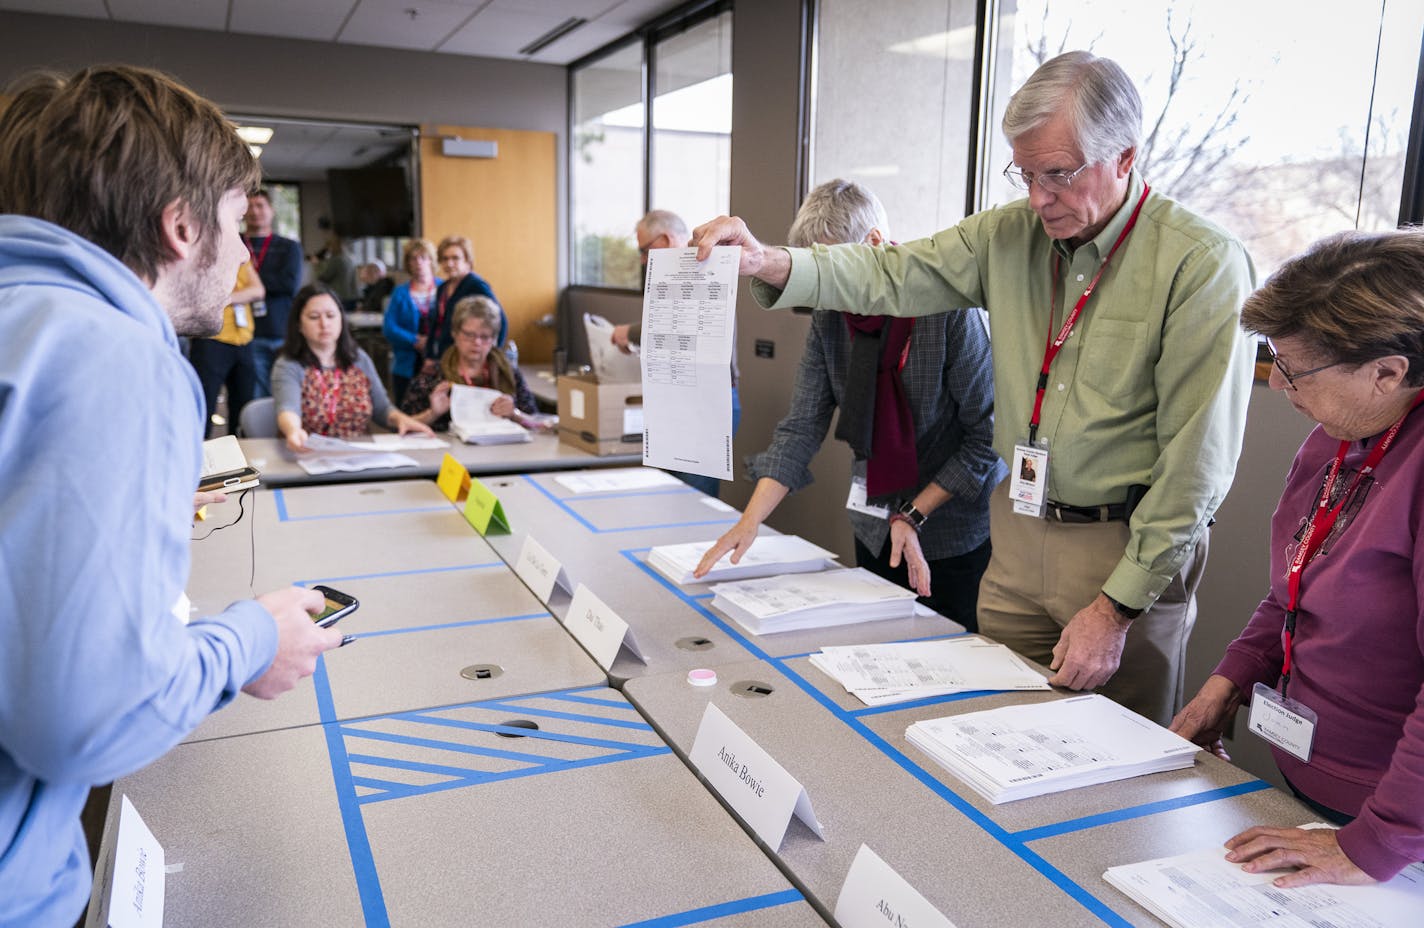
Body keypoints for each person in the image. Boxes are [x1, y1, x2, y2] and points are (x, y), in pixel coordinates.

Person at [692, 51, 1256, 725]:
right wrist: (768, 261)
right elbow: (893, 274)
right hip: (1018, 532)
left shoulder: (1200, 263)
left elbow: (1197, 466)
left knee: (1113, 749)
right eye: (1026, 174)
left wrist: (1117, 607)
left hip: (1120, 546)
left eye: (1060, 174)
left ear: (1127, 157)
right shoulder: (1008, 236)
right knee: (986, 725)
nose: (1040, 197)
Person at [0, 65, 344, 927]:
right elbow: (88, 719)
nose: (238, 259)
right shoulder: (115, 355)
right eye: (233, 225)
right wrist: (252, 638)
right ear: (181, 225)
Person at [1171, 230, 1424, 888]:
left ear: (1389, 371)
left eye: (1294, 369)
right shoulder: (1335, 439)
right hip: (1314, 778)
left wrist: (1373, 846)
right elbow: (1296, 590)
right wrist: (1226, 683)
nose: (1279, 385)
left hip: (1396, 825)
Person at [695, 180, 1003, 629]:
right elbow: (801, 426)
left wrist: (914, 514)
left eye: (833, 273)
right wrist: (749, 521)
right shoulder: (831, 318)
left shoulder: (948, 311)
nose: (828, 292)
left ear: (874, 244)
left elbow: (988, 437)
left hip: (951, 531)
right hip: (874, 522)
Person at [612, 209, 743, 498]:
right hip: (677, 400)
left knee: (693, 500)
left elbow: (681, 328)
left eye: (645, 250)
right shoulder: (673, 273)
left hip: (707, 403)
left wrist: (630, 333)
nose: (644, 259)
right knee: (666, 495)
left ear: (668, 238)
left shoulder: (703, 267)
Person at [273, 282, 433, 452]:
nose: (324, 324)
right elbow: (288, 408)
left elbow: (382, 409)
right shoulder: (288, 364)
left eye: (331, 315)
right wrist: (293, 430)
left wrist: (400, 419)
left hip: (358, 457)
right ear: (299, 325)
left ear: (341, 319)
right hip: (308, 456)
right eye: (314, 317)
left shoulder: (358, 358)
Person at [402, 295, 537, 432]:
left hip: (502, 449)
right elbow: (403, 426)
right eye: (469, 335)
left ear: (494, 339)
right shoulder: (433, 375)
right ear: (455, 333)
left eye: (484, 337)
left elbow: (537, 423)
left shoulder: (508, 373)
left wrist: (514, 414)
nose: (477, 342)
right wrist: (432, 413)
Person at [188, 260, 263, 433]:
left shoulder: (240, 257)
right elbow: (202, 296)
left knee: (243, 407)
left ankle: (238, 456)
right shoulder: (201, 256)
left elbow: (258, 290)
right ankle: (200, 457)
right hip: (211, 339)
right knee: (203, 407)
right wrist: (244, 294)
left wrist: (226, 298)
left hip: (244, 339)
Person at [244, 188, 304, 397]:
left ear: (271, 210)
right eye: (249, 206)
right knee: (255, 394)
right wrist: (270, 280)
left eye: (260, 205)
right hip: (245, 332)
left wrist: (250, 281)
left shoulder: (289, 247)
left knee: (284, 392)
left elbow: (289, 285)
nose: (255, 211)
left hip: (280, 331)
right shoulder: (235, 244)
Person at [425, 235, 503, 370]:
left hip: (468, 361)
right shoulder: (443, 288)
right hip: (444, 357)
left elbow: (501, 321)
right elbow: (436, 325)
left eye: (455, 258)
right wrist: (430, 355)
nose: (449, 263)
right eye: (445, 259)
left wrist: (492, 356)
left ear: (467, 260)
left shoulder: (476, 285)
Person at [383, 238, 441, 405]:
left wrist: (431, 342)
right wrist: (415, 340)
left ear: (431, 260)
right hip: (406, 364)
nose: (419, 263)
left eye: (423, 257)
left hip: (439, 362)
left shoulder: (444, 288)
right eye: (413, 258)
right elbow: (389, 327)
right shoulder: (400, 292)